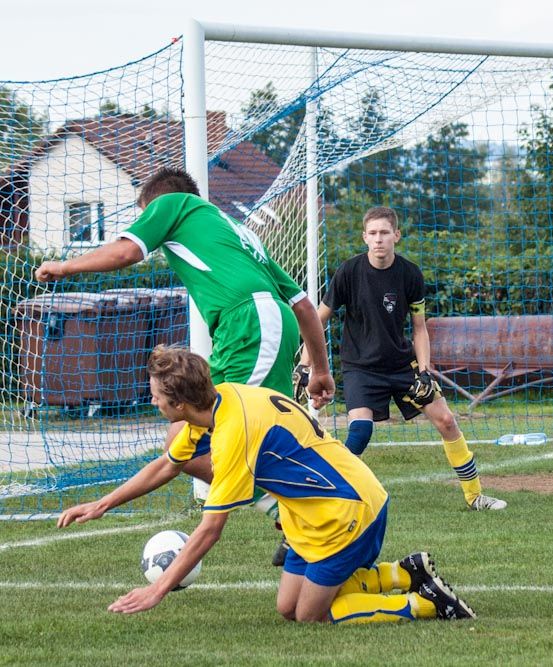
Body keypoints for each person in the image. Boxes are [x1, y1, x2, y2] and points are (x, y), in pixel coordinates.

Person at [35, 167, 335, 564]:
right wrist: (320, 370)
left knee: (242, 437)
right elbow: (302, 306)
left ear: (154, 204)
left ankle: (310, 517)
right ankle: (296, 514)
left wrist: (65, 267)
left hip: (250, 324)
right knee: (186, 434)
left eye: (145, 216)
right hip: (250, 326)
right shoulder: (236, 235)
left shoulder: (172, 204)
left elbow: (126, 251)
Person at [57, 346, 476, 624]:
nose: (152, 402)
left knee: (311, 615)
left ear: (180, 404)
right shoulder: (219, 400)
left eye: (157, 397)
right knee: (286, 608)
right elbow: (168, 465)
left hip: (348, 510)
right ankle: (402, 572)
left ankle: (425, 603)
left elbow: (209, 531)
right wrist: (102, 504)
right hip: (310, 514)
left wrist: (157, 590)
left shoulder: (232, 438)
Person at [299, 206, 506, 511]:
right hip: (360, 367)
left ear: (396, 235)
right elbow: (317, 321)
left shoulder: (409, 274)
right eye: (372, 233)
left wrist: (424, 372)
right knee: (360, 431)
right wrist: (306, 365)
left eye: (384, 233)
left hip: (401, 365)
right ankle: (327, 496)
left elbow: (419, 329)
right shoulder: (349, 272)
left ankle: (475, 496)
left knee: (447, 421)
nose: (378, 239)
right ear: (364, 237)